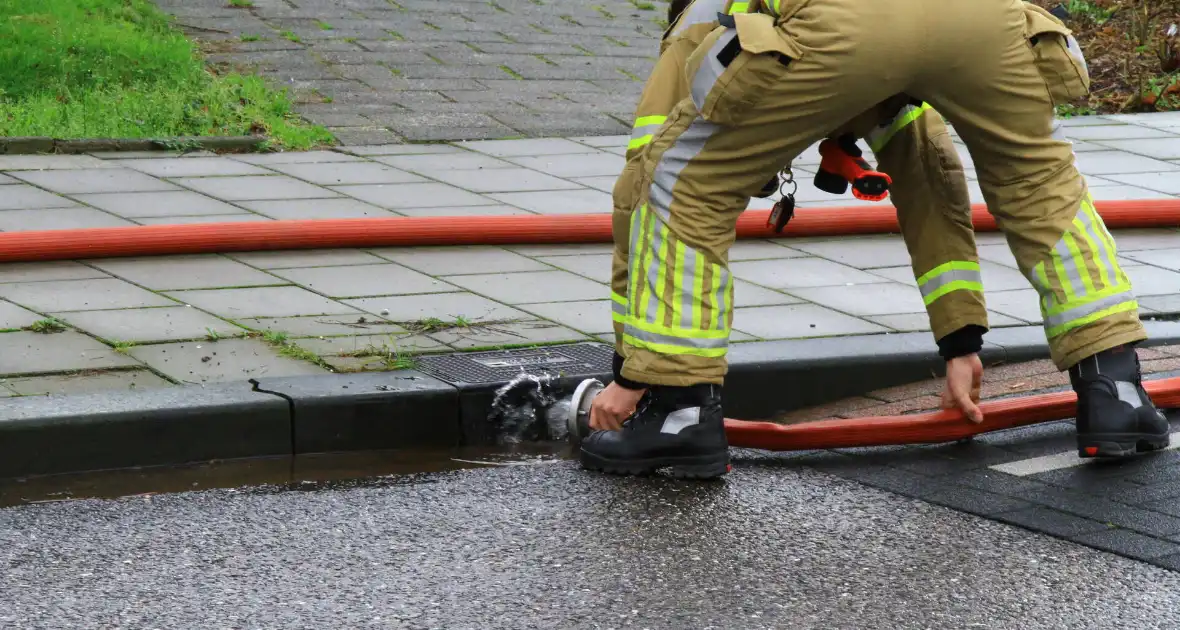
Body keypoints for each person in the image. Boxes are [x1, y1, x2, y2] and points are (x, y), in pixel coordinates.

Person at [582, 0, 1170, 479]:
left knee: (680, 184)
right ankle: (1114, 391)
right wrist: (960, 342)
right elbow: (927, 176)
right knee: (1041, 183)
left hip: (849, 21)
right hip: (982, 18)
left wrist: (633, 375)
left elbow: (638, 193)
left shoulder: (698, 25)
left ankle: (678, 414)